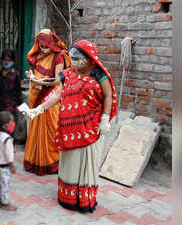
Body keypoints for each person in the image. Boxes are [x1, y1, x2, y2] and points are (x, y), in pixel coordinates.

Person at [26, 40, 118, 213]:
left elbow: (108, 95)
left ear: (89, 58)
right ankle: (66, 198)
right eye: (72, 58)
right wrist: (38, 109)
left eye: (77, 58)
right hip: (69, 127)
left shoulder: (99, 74)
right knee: (70, 163)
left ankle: (83, 200)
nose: (74, 62)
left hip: (90, 127)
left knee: (86, 164)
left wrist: (105, 118)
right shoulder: (68, 74)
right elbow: (57, 95)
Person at [23, 29, 70, 176]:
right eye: (41, 45)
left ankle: (51, 163)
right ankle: (35, 160)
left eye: (46, 46)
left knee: (51, 129)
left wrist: (41, 81)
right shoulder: (36, 55)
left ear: (51, 44)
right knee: (35, 127)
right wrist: (31, 76)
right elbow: (32, 71)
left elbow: (58, 79)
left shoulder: (58, 57)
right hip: (36, 93)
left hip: (51, 95)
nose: (43, 49)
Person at [0, 111, 17, 211]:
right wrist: (12, 166)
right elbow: (9, 155)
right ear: (5, 126)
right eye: (12, 121)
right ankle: (5, 203)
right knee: (6, 184)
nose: (13, 123)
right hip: (5, 166)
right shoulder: (8, 139)